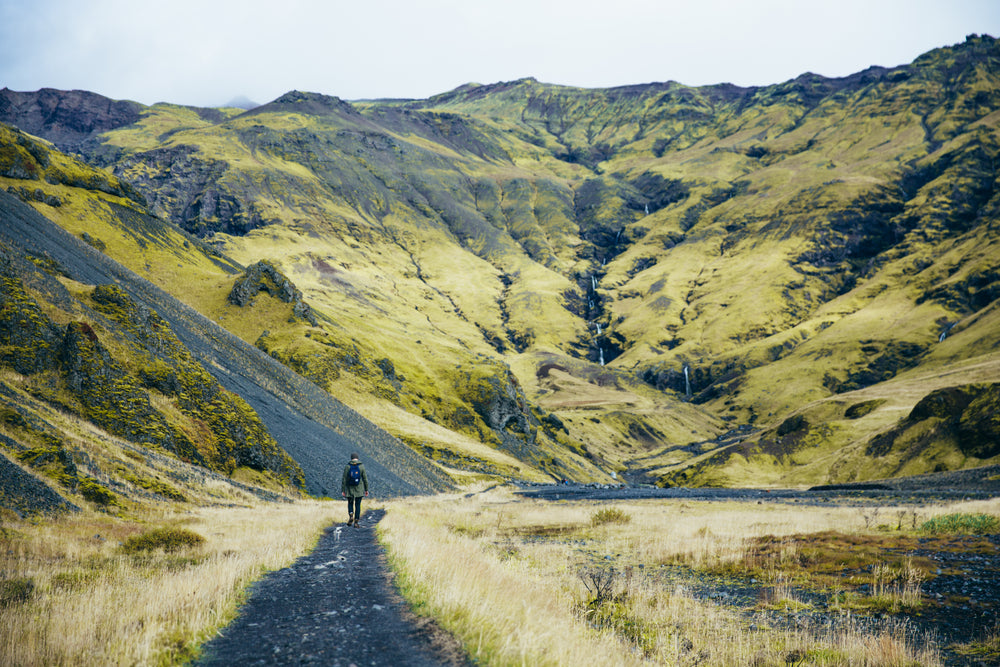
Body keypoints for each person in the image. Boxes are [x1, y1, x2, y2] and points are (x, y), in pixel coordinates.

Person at [341, 452, 369, 527]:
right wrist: (366, 489)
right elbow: (365, 479)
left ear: (351, 458)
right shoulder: (361, 466)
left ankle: (351, 515)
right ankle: (356, 521)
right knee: (357, 504)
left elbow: (344, 479)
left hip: (350, 489)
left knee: (350, 503)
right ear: (357, 458)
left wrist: (343, 490)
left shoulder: (347, 466)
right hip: (359, 489)